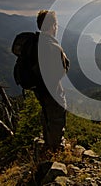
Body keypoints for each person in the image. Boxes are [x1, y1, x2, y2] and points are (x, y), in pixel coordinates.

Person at [34, 10, 70, 151]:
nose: (57, 28)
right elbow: (61, 71)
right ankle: (54, 148)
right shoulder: (52, 46)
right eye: (56, 25)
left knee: (47, 113)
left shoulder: (37, 42)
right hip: (52, 89)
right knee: (56, 116)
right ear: (53, 26)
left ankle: (48, 142)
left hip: (39, 88)